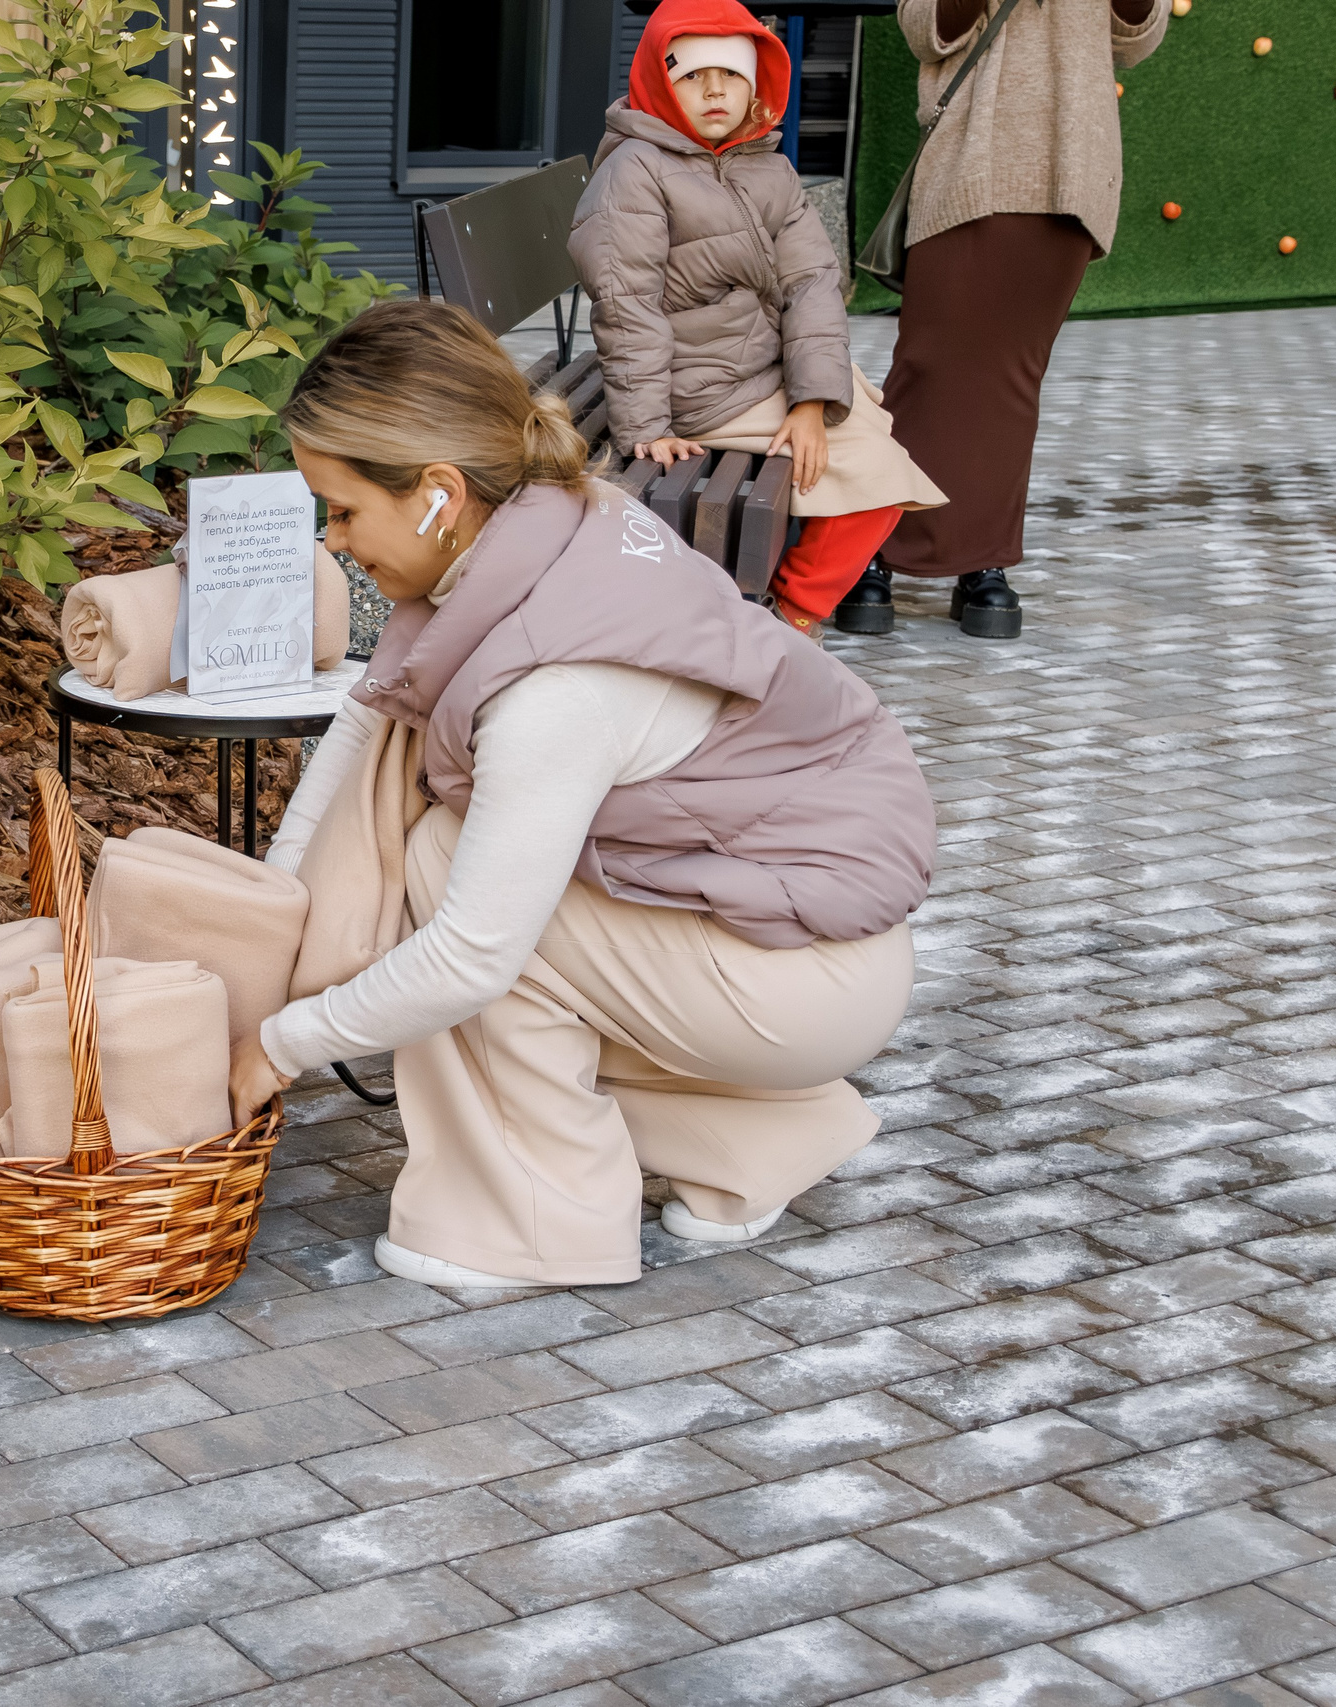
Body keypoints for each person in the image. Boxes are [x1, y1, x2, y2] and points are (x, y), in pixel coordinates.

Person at [223, 300, 934, 1288]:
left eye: (342, 509)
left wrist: (276, 1045)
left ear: (436, 493)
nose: (333, 540)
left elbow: (472, 959)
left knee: (449, 878)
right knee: (480, 888)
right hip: (790, 942)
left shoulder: (557, 686)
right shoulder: (551, 530)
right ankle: (760, 1145)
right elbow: (364, 725)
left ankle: (534, 1224)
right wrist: (262, 927)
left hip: (802, 977)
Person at [570, 0, 944, 639]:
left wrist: (811, 402)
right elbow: (627, 307)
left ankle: (784, 601)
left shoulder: (764, 166)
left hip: (750, 367)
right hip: (699, 389)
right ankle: (793, 615)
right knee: (884, 475)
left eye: (732, 75)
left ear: (756, 86)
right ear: (660, 81)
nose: (715, 90)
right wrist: (648, 427)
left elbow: (813, 282)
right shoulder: (635, 172)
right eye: (691, 75)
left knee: (859, 412)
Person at [845, 0, 1170, 639]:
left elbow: (1140, 35)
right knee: (928, 366)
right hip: (972, 163)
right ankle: (871, 546)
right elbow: (924, 30)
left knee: (1013, 381)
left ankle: (982, 561)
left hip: (1070, 176)